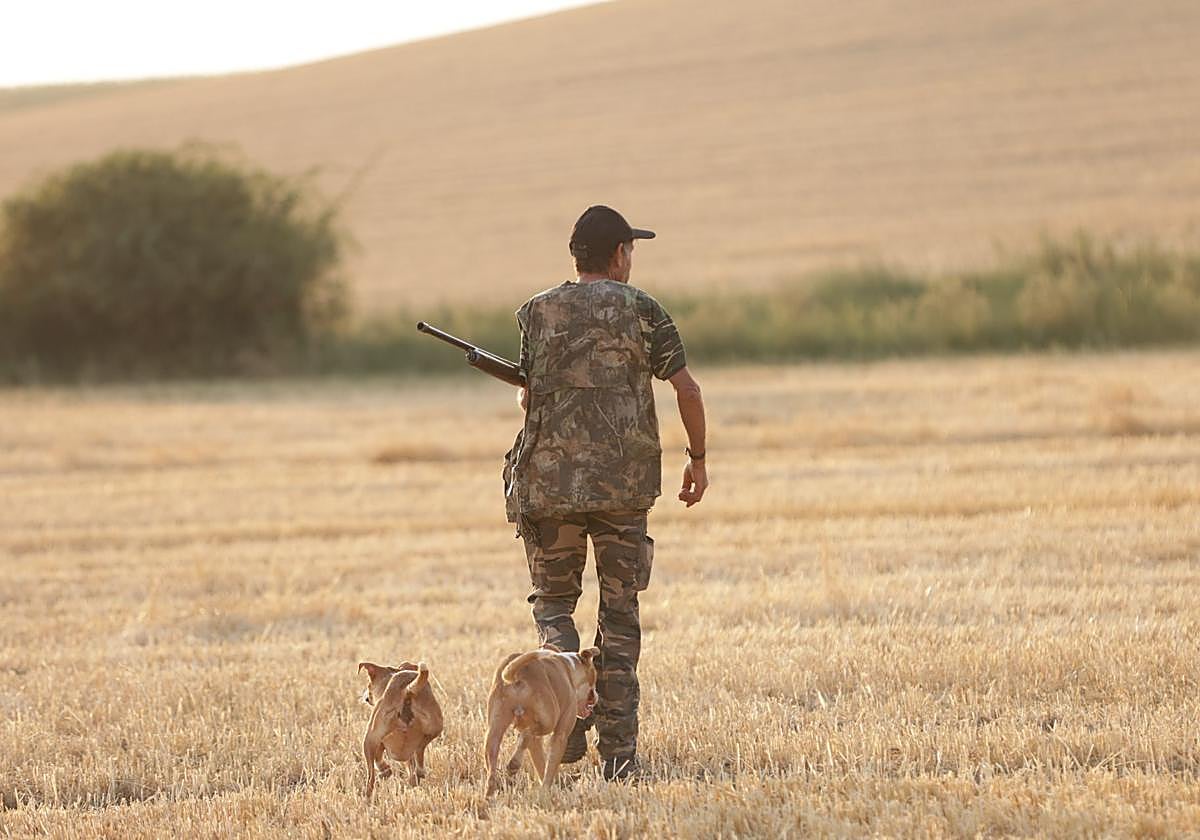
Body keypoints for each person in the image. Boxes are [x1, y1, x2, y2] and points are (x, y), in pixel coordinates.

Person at [505, 205, 708, 781]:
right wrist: (698, 459)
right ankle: (619, 757)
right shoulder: (644, 309)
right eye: (631, 249)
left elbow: (528, 400)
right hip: (623, 490)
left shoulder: (536, 312)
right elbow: (686, 390)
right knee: (619, 617)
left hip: (548, 489)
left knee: (553, 609)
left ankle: (563, 729)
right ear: (618, 254)